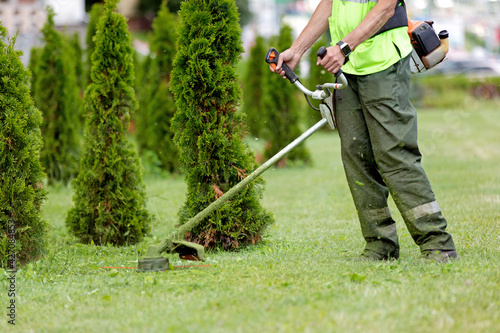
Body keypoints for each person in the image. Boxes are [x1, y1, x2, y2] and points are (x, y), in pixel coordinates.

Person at [270, 0, 457, 262]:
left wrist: (344, 47)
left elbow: (386, 7)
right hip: (348, 68)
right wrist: (298, 50)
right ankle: (381, 244)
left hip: (383, 63)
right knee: (356, 155)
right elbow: (330, 4)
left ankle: (437, 243)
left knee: (394, 153)